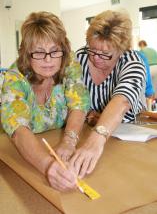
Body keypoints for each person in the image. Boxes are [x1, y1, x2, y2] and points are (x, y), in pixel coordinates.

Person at [1, 11, 90, 191]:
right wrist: (48, 166)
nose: (48, 60)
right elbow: (18, 129)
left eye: (54, 51)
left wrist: (69, 140)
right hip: (24, 154)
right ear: (27, 53)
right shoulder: (14, 78)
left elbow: (79, 103)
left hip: (58, 141)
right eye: (39, 52)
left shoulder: (68, 62)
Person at [68, 10, 146, 179]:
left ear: (121, 50)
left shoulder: (132, 61)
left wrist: (95, 141)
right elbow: (68, 98)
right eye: (93, 50)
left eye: (105, 54)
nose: (96, 58)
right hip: (86, 130)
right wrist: (89, 116)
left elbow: (123, 101)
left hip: (127, 137)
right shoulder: (79, 59)